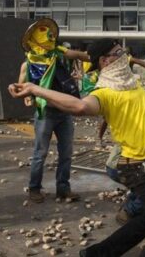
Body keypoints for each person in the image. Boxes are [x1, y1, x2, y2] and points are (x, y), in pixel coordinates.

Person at [8, 38, 145, 257]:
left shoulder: (135, 88)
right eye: (119, 53)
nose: (124, 56)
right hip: (138, 169)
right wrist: (34, 89)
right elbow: (79, 106)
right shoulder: (104, 93)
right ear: (105, 61)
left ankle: (96, 254)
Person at [20, 18, 89, 203]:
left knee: (66, 153)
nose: (49, 36)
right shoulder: (28, 64)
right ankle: (34, 189)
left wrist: (96, 56)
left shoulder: (59, 55)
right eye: (43, 33)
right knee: (40, 153)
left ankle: (63, 189)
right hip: (45, 114)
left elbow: (76, 54)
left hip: (64, 112)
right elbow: (22, 86)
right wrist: (26, 95)